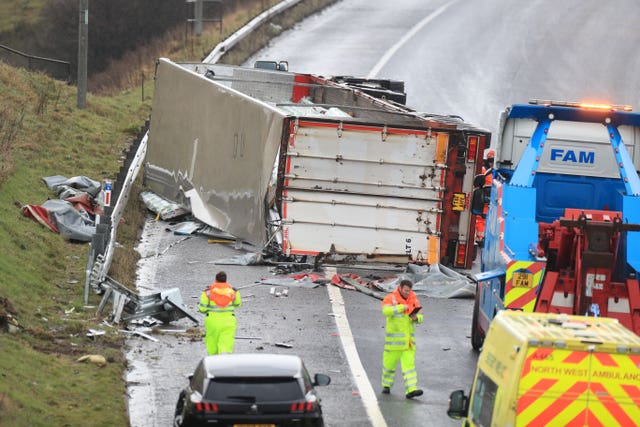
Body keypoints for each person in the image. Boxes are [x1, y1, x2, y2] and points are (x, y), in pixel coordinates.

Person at [381, 279, 424, 399]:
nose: (407, 293)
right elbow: (386, 311)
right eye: (405, 291)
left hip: (408, 343)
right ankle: (386, 385)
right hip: (393, 343)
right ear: (400, 288)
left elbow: (421, 316)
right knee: (389, 366)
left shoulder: (413, 299)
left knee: (409, 367)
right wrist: (401, 308)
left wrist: (416, 318)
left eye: (409, 291)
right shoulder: (390, 298)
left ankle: (411, 389)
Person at [198, 271, 242, 355]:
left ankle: (214, 363)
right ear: (225, 280)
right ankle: (224, 363)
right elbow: (237, 304)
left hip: (212, 321)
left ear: (216, 280)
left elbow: (202, 309)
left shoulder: (208, 292)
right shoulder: (233, 292)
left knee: (212, 342)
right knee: (226, 343)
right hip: (229, 321)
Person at [474, 149, 495, 248]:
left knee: (488, 220)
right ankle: (480, 239)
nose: (492, 163)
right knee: (481, 219)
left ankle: (485, 238)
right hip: (483, 199)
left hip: (493, 199)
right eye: (491, 161)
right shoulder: (483, 170)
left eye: (493, 161)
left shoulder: (496, 172)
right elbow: (477, 184)